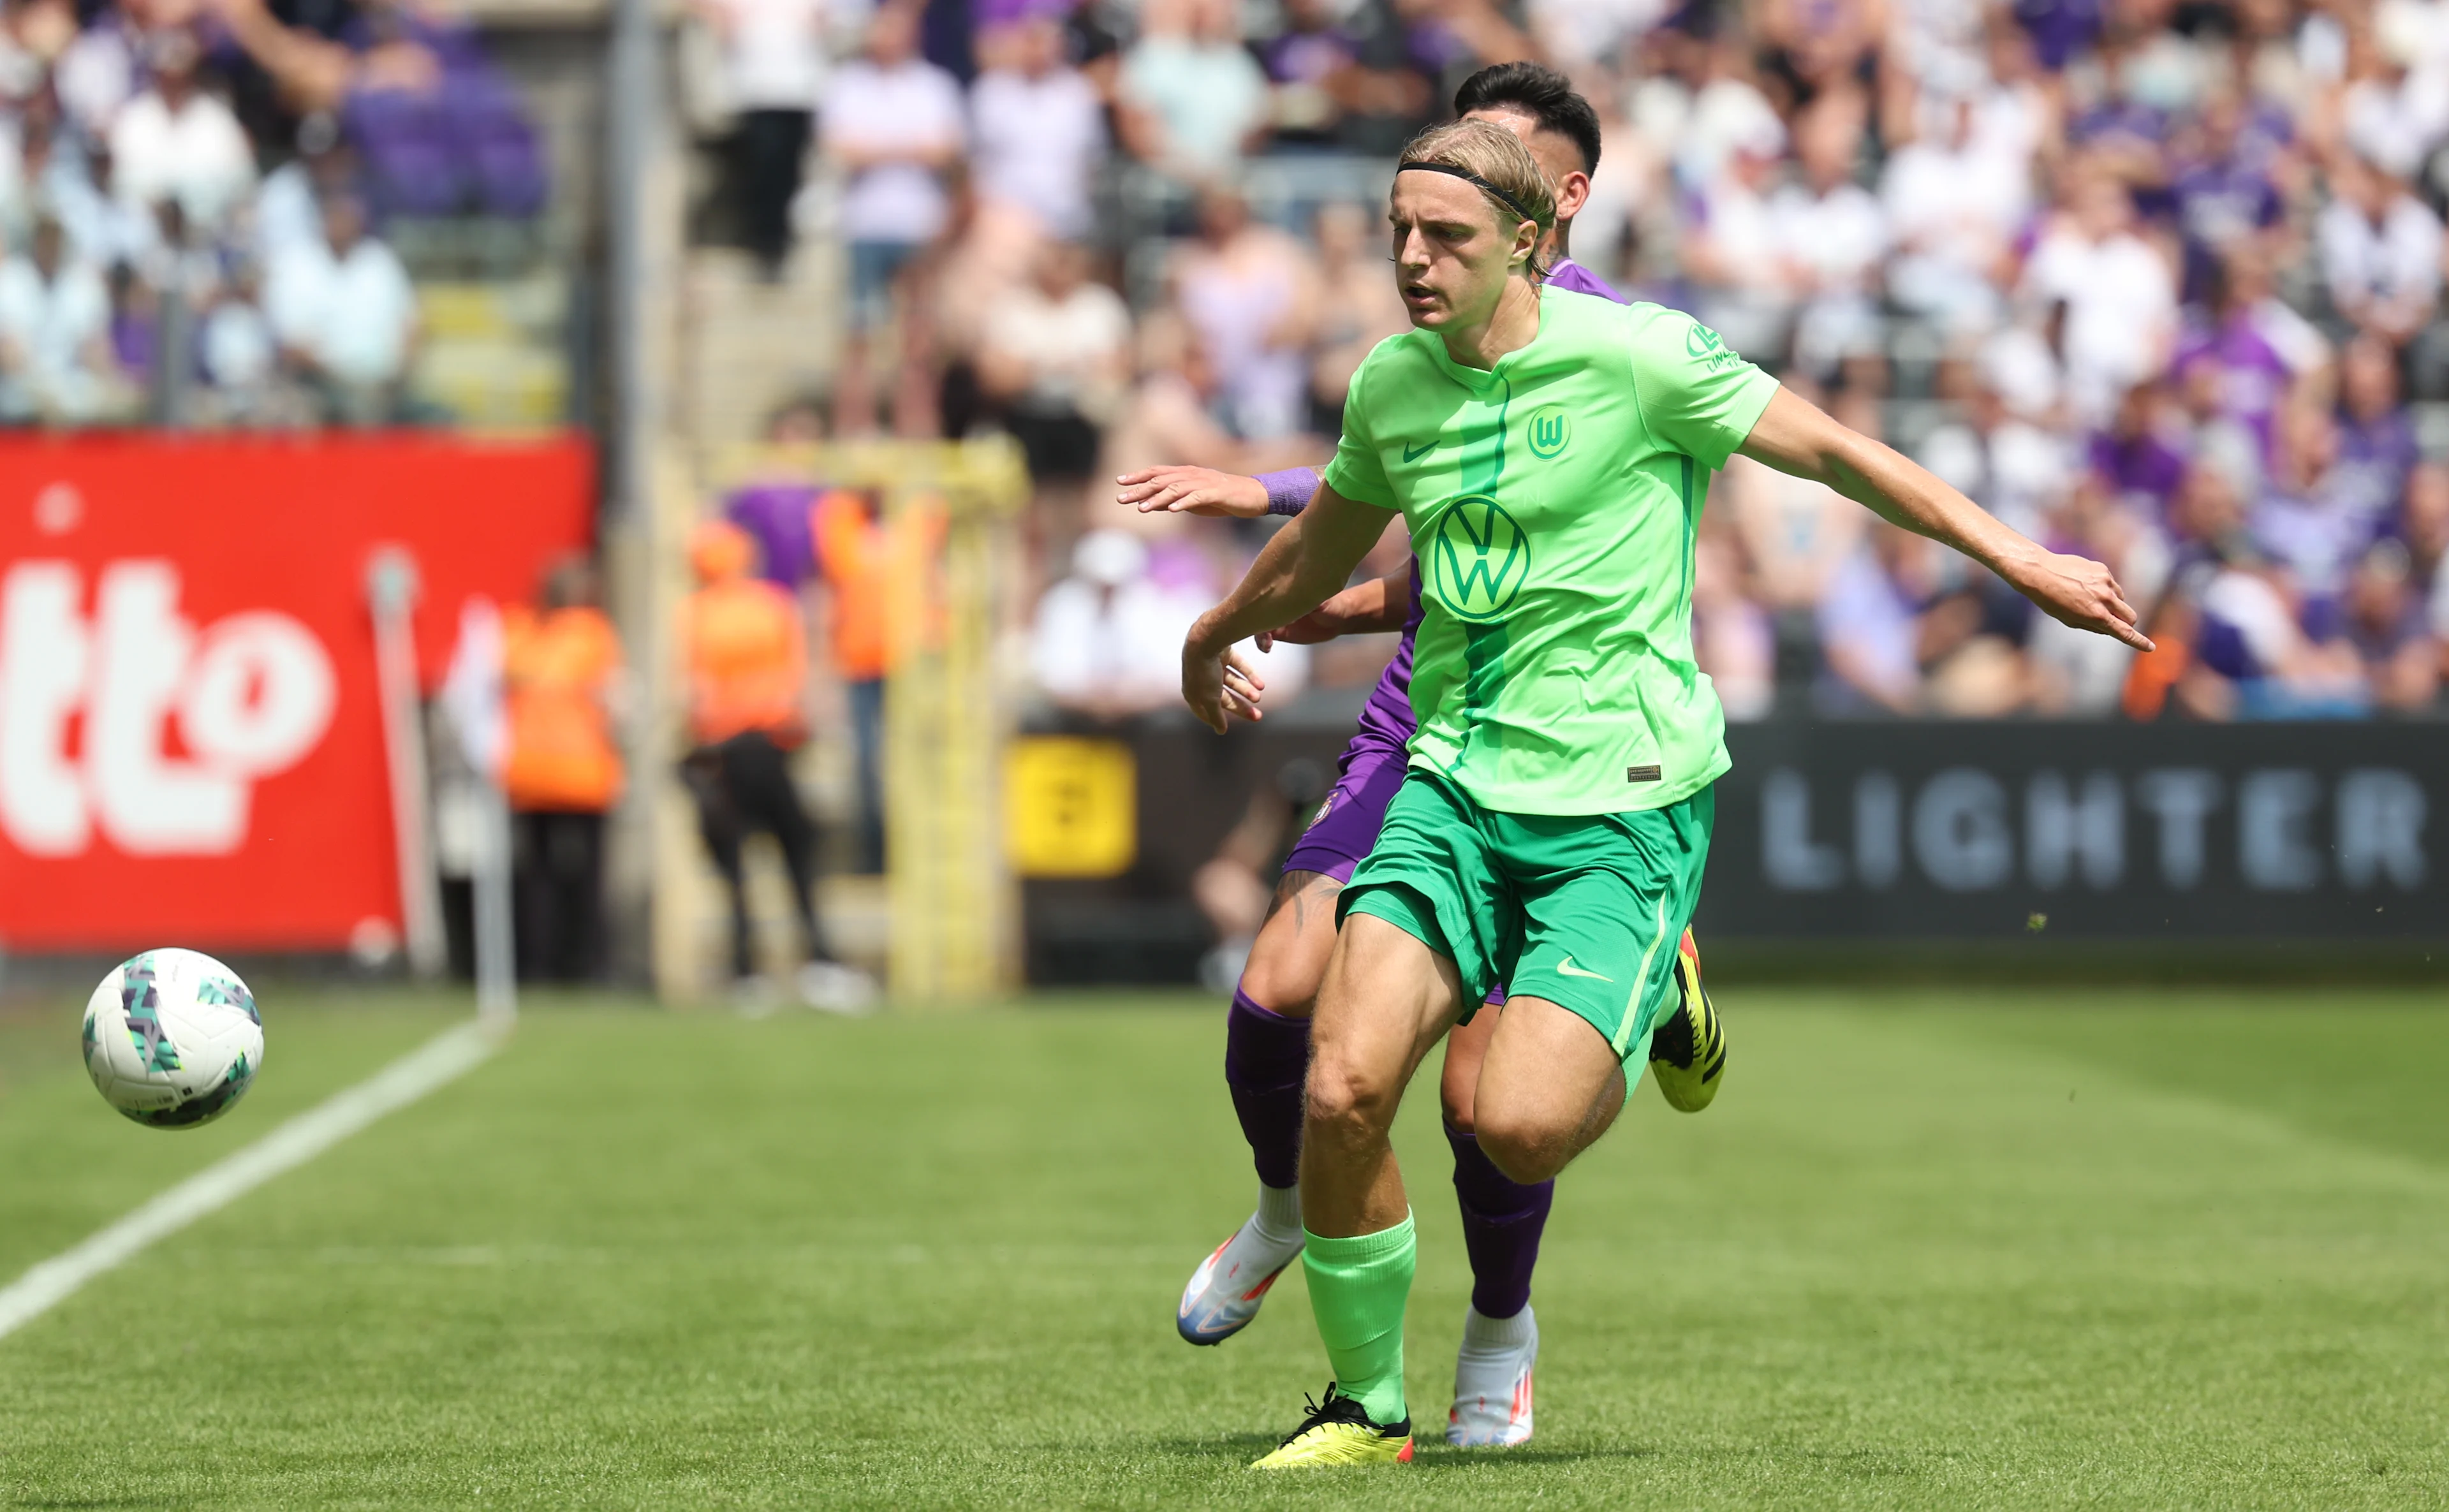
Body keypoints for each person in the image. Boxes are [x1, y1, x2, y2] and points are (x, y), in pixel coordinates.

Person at [1177, 119, 2142, 1468]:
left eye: (1445, 236)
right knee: (1340, 1087)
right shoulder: (1394, 382)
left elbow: (1844, 457)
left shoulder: (1644, 355)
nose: (1412, 257)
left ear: (1532, 237)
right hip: (1451, 786)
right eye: (1399, 230)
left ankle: (1659, 985)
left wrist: (2022, 559)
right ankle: (1366, 1410)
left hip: (1620, 805)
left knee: (1509, 1123)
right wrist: (1213, 631)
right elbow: (1316, 547)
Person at [1119, 62, 1723, 1453]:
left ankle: (1498, 1324)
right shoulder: (1420, 336)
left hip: (1561, 748)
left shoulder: (1621, 345)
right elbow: (1392, 498)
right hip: (1427, 722)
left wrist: (1274, 556)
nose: (1435, 220)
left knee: (1482, 1102)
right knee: (1282, 997)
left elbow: (1453, 534)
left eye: (1490, 173)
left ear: (1553, 204)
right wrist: (1270, 530)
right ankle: (1289, 1208)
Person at [679, 520, 879, 1011]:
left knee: (736, 867)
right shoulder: (771, 605)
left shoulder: (697, 612)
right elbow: (798, 677)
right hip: (771, 745)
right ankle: (817, 962)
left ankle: (751, 971)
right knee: (798, 857)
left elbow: (693, 692)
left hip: (724, 751)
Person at [501, 555, 624, 982]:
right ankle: (588, 963)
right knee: (585, 876)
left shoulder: (517, 632)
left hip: (531, 772)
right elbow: (613, 701)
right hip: (581, 771)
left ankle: (539, 965)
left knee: (538, 874)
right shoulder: (592, 634)